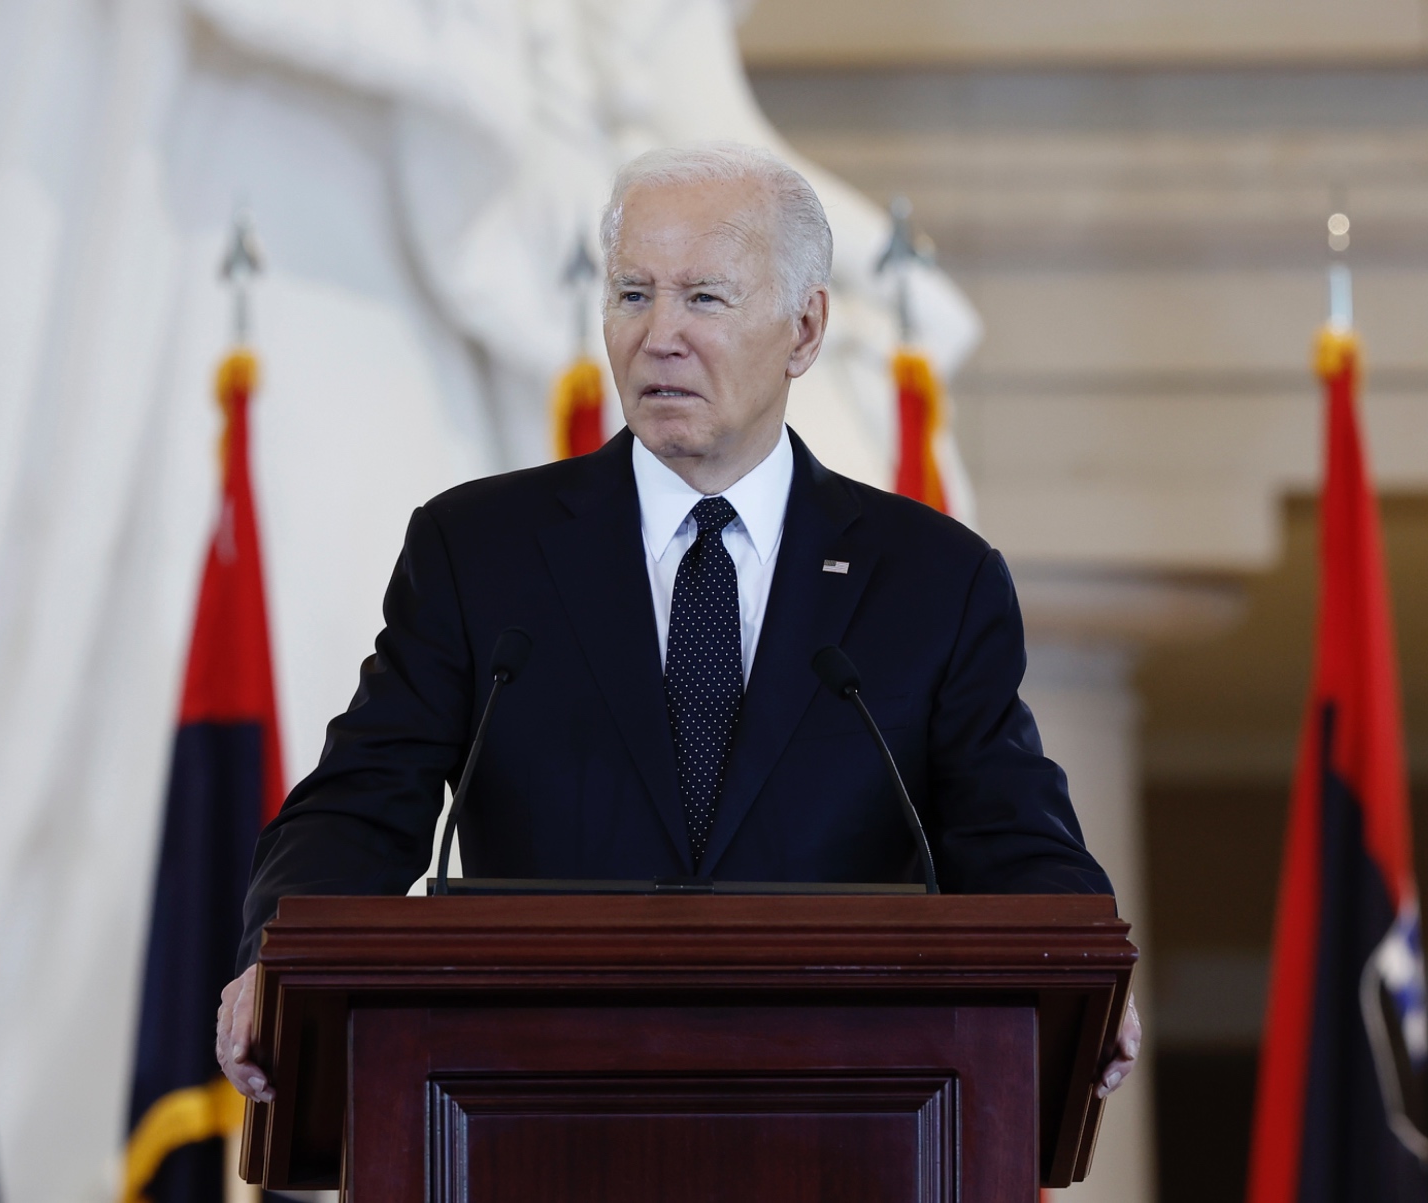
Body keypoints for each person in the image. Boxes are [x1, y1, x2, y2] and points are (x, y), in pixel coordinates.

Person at [214, 141, 1140, 1102]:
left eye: (704, 297)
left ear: (805, 328)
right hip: (533, 1106)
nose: (660, 334)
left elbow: (1014, 831)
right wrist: (276, 954)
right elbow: (359, 804)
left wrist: (1085, 972)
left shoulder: (931, 580)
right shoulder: (480, 550)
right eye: (631, 295)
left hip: (844, 1110)